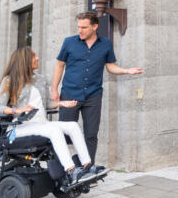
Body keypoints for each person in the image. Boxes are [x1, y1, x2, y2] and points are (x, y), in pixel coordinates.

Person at [51, 11, 143, 167]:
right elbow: (60, 65)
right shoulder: (69, 42)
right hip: (69, 94)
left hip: (93, 96)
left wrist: (127, 71)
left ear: (95, 27)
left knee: (91, 135)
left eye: (84, 27)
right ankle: (61, 170)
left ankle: (87, 170)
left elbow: (111, 66)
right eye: (79, 26)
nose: (80, 30)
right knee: (64, 134)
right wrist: (54, 89)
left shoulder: (105, 44)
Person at [0, 47, 93, 185]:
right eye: (34, 56)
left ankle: (87, 166)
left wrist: (62, 103)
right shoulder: (9, 80)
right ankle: (72, 171)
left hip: (40, 124)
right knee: (54, 130)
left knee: (73, 125)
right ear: (24, 60)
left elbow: (46, 104)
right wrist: (16, 110)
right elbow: (0, 107)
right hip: (20, 126)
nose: (37, 58)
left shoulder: (40, 79)